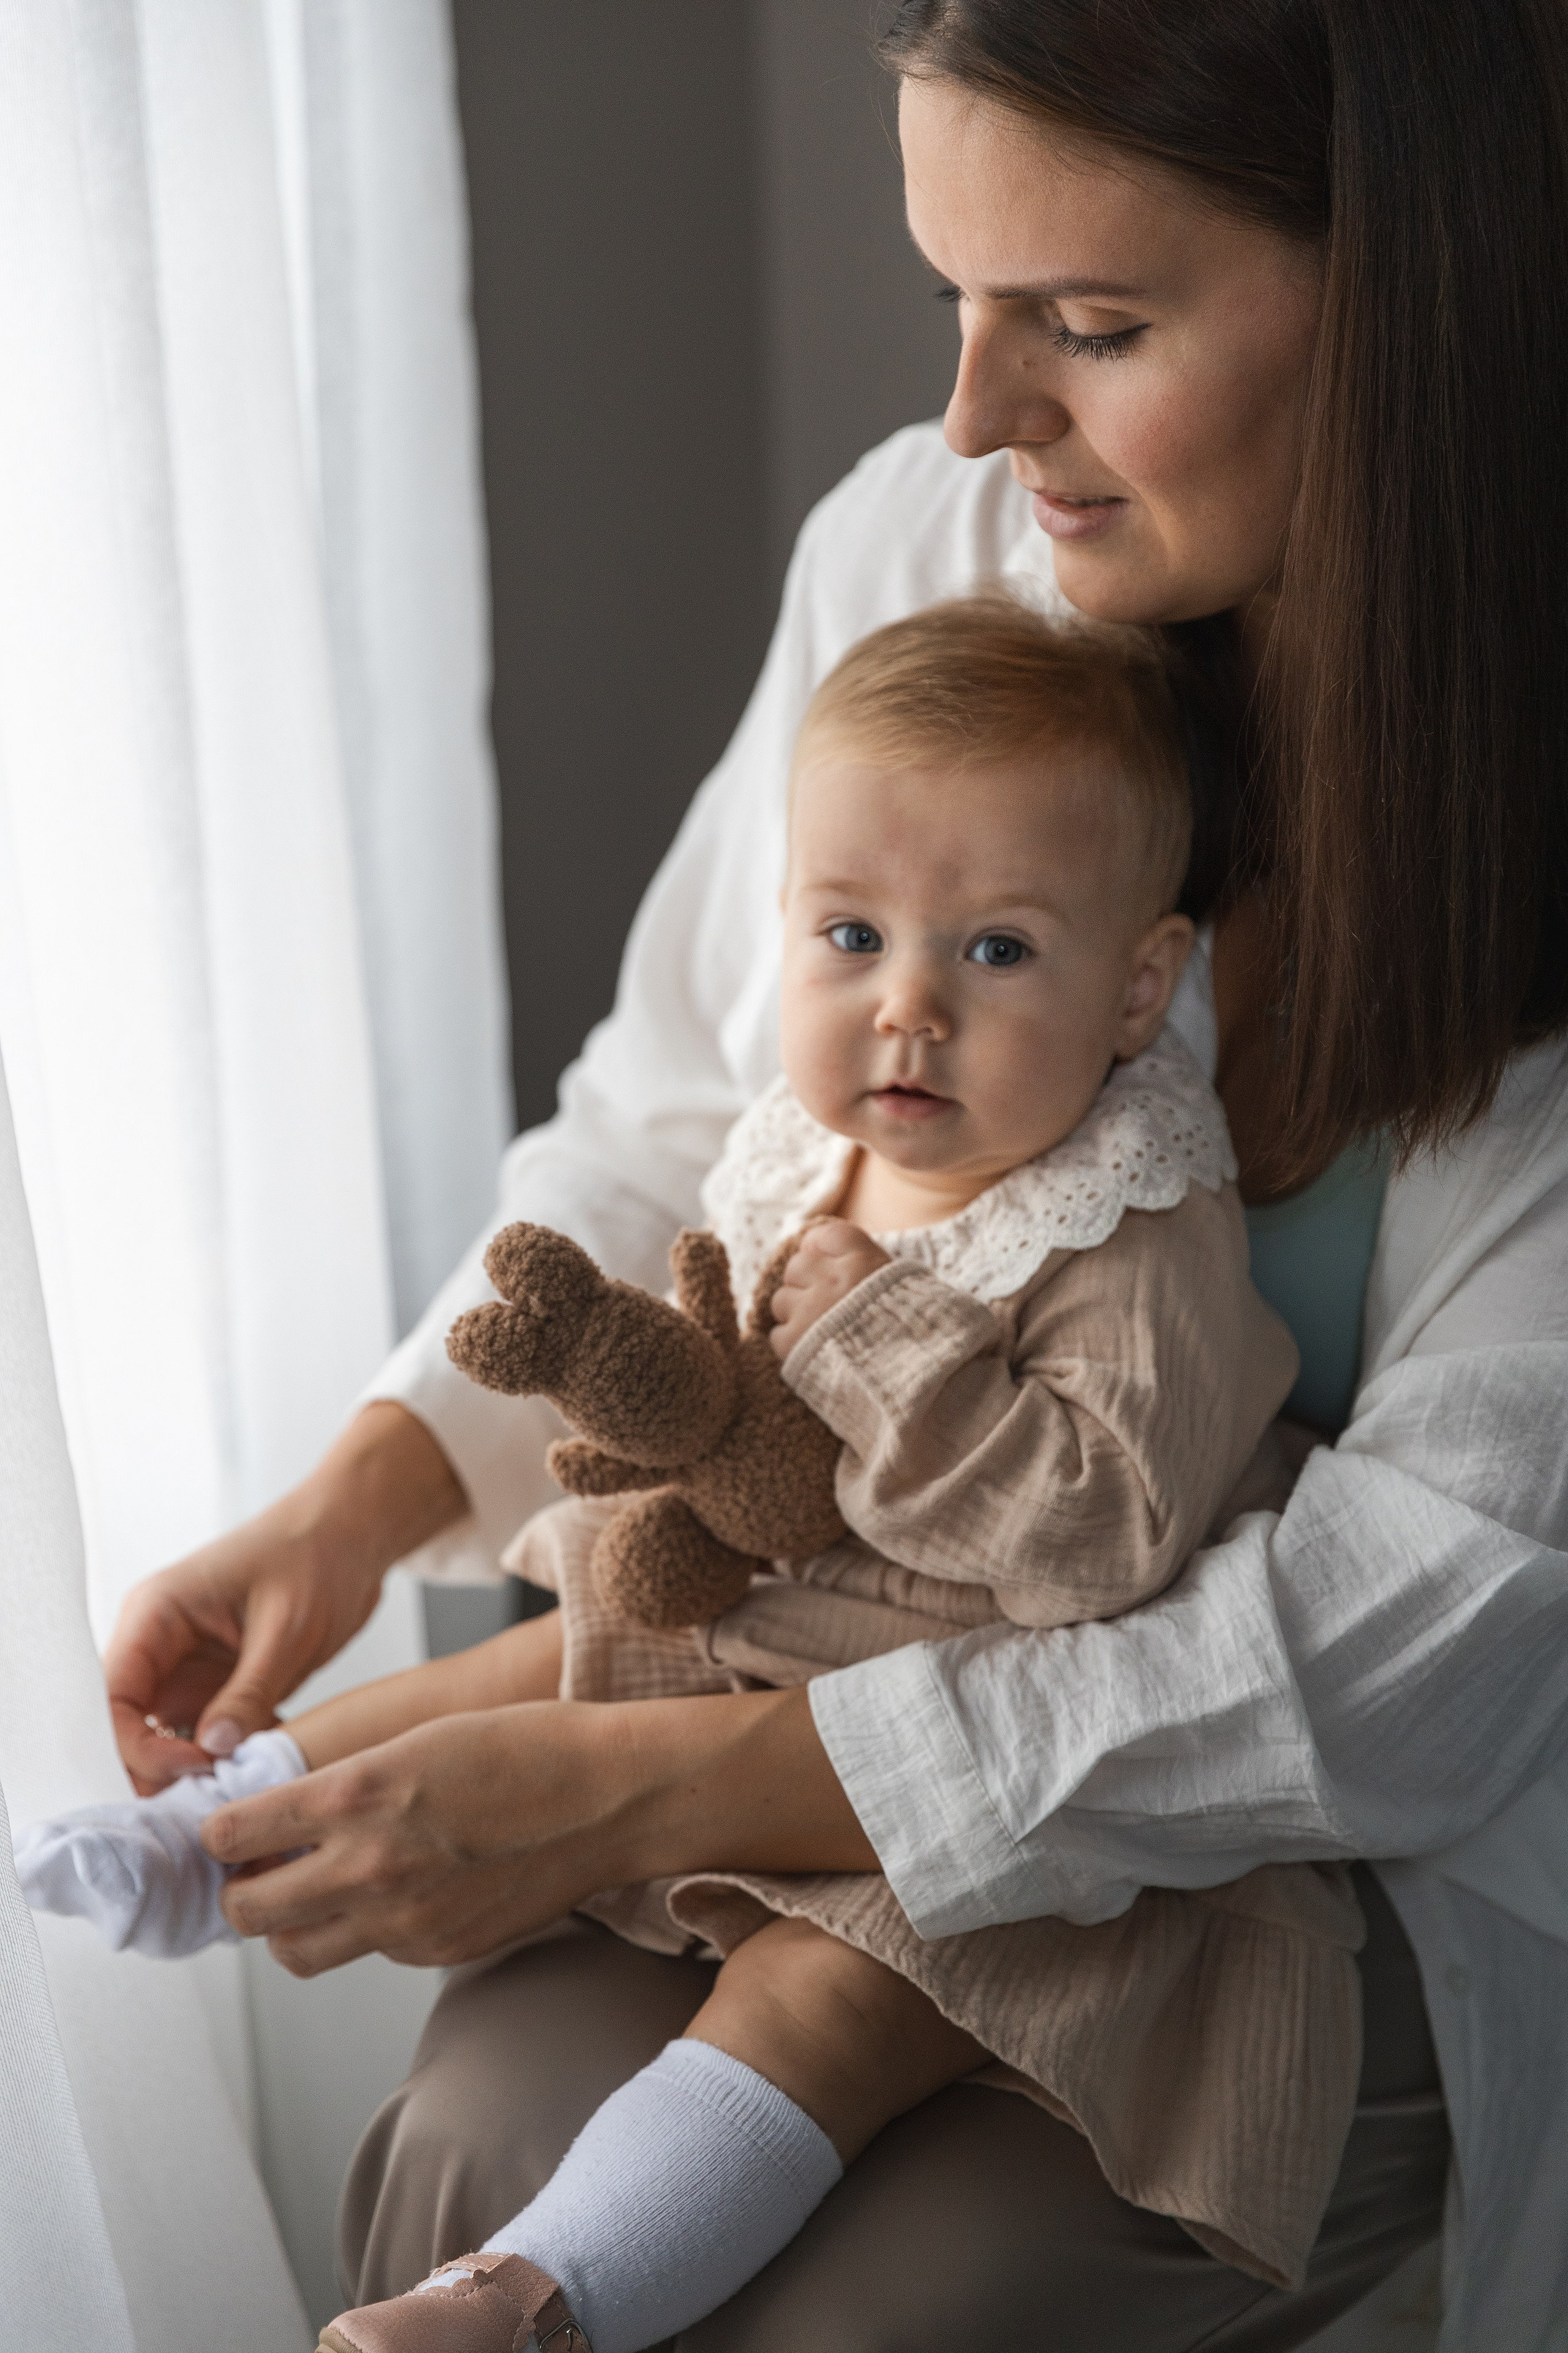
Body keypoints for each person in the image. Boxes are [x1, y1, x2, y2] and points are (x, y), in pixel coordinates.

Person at [102, 2, 1568, 2346]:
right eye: (952, 302)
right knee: (492, 2147)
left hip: (1306, 1855)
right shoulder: (929, 540)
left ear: (1420, 296)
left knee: (895, 2310)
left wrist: (653, 1781)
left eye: (1092, 323)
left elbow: (1417, 1654)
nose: (985, 413)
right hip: (808, 1670)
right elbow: (692, 1115)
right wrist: (366, 1499)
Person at [31, 601, 1370, 2347]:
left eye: (998, 953)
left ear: (1138, 983)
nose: (907, 1008)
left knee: (819, 2004)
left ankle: (523, 2294)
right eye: (853, 932)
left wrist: (888, 1344)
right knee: (531, 1655)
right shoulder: (811, 1149)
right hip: (768, 1628)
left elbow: (1100, 1534)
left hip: (981, 1749)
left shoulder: (1133, 1218)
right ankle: (217, 1828)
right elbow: (721, 1395)